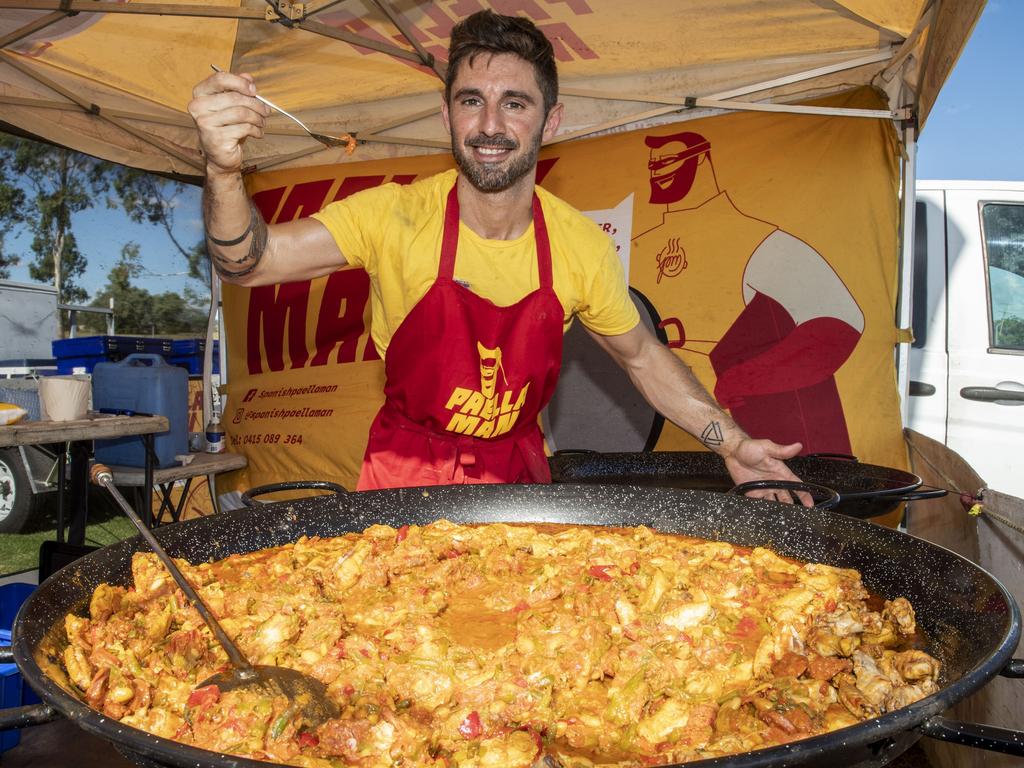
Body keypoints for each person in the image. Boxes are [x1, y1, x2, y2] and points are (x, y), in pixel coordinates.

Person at [188, 10, 810, 503]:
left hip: (518, 480)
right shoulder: (391, 215)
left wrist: (730, 443)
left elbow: (643, 356)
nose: (490, 124)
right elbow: (249, 262)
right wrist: (221, 167)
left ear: (552, 120)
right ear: (446, 115)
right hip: (403, 475)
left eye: (514, 102)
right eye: (470, 100)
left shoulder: (579, 246)